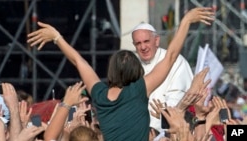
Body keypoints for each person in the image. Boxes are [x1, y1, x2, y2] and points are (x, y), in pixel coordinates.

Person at [27, 7, 214, 141]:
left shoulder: (99, 94)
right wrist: (186, 21)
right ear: (136, 72)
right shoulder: (139, 91)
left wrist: (57, 38)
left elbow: (79, 61)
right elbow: (171, 56)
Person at [132, 22, 194, 132]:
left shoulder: (176, 62)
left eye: (146, 41)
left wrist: (164, 114)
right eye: (138, 43)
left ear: (156, 41)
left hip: (168, 132)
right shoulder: (131, 67)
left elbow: (178, 99)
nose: (143, 47)